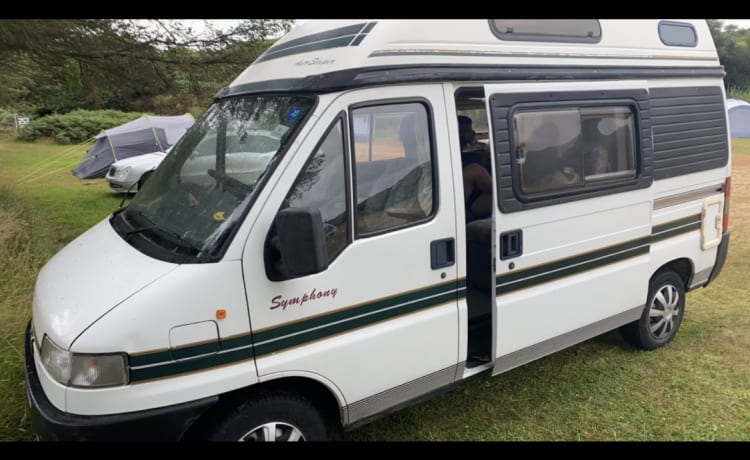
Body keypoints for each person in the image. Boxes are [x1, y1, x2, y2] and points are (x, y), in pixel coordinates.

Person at [458, 116, 492, 220]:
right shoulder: (450, 149)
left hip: (481, 190)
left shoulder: (480, 148)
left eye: (467, 130)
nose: (463, 134)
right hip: (468, 198)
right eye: (461, 130)